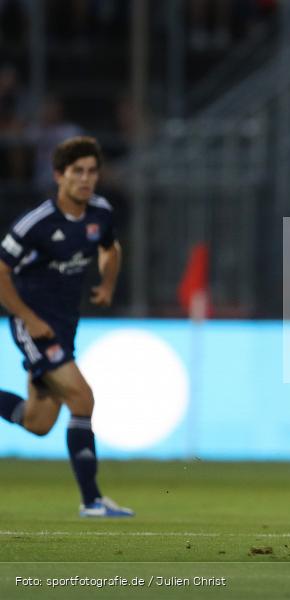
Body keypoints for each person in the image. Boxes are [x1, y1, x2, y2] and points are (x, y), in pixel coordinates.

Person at [0, 136, 133, 518]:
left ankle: (92, 500)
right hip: (34, 325)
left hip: (65, 325)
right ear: (59, 175)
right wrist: (27, 317)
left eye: (92, 171)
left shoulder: (100, 213)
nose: (86, 179)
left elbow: (111, 248)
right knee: (82, 399)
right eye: (78, 171)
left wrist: (107, 283)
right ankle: (92, 500)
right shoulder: (36, 224)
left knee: (37, 422)